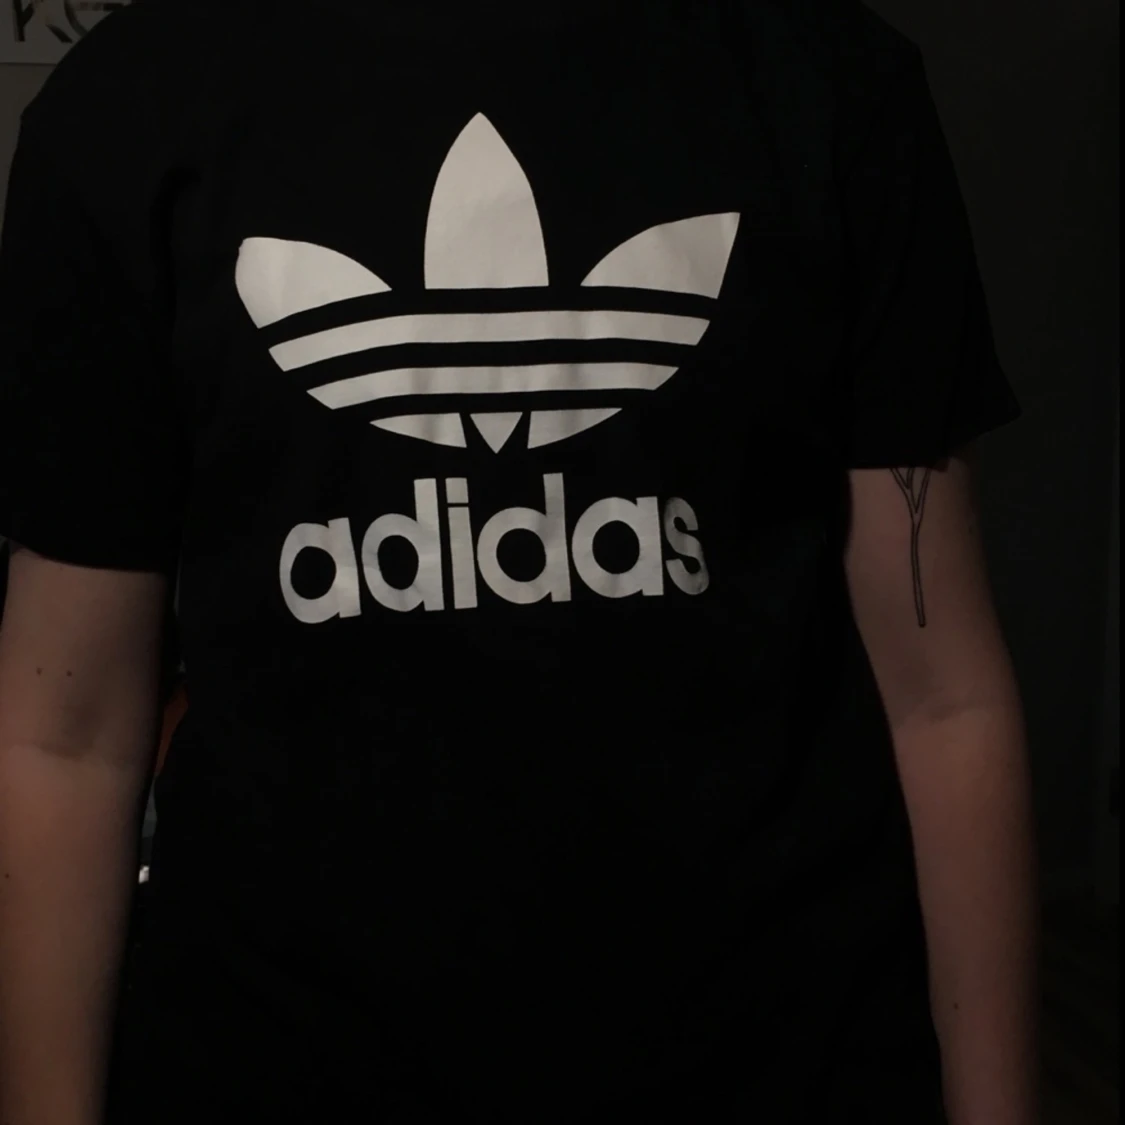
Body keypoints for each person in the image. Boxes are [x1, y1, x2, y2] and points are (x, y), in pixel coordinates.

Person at [0, 1, 1038, 1122]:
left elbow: (943, 700)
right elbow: (64, 736)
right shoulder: (131, 104)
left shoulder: (833, 80)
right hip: (270, 1056)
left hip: (786, 1052)